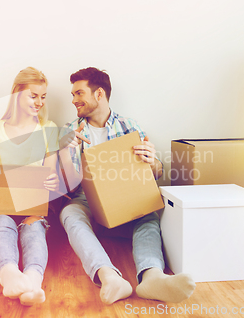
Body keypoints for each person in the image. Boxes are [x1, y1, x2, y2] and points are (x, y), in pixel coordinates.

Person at [58, 67, 196, 305]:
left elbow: (156, 173)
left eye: (79, 93)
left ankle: (152, 276)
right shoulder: (71, 131)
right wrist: (65, 154)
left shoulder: (128, 126)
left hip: (124, 202)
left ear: (99, 94)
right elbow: (66, 188)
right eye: (73, 94)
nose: (73, 100)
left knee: (149, 215)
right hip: (87, 202)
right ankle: (109, 276)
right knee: (69, 213)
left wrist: (152, 161)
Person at [0, 67, 59, 306]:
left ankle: (32, 282)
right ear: (17, 94)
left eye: (43, 96)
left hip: (32, 211)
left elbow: (51, 174)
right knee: (3, 221)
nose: (39, 102)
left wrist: (52, 181)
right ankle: (9, 276)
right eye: (34, 95)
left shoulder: (48, 129)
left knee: (33, 229)